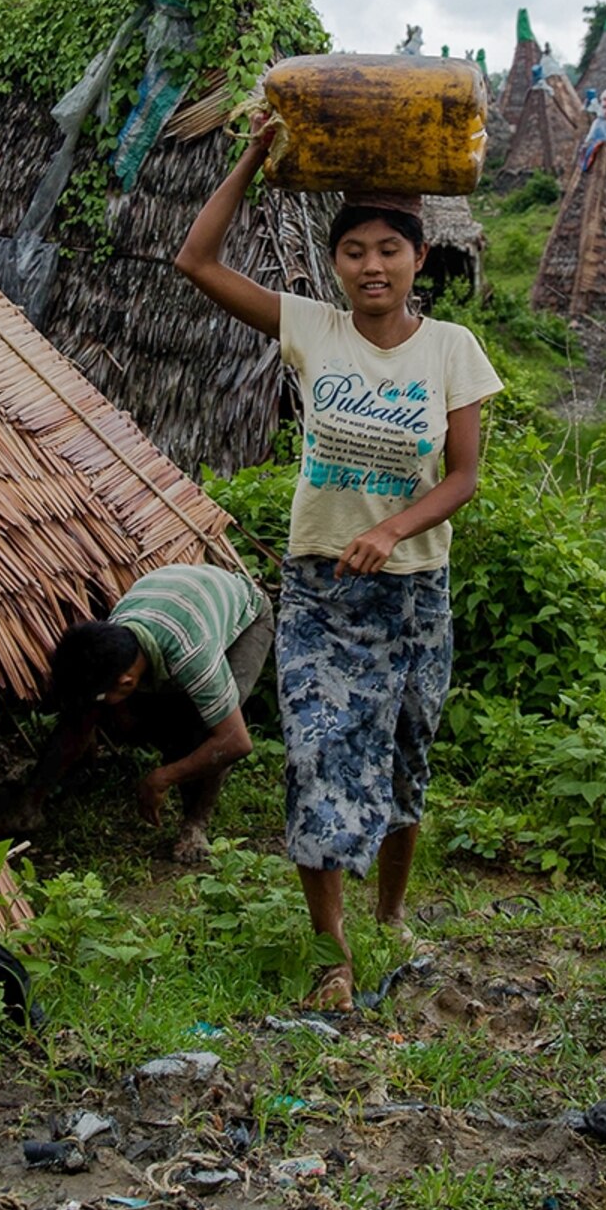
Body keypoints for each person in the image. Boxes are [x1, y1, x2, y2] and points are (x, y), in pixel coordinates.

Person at [173, 131, 501, 1010]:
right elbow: (197, 258)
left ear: (419, 256)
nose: (371, 266)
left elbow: (465, 475)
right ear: (335, 263)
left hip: (413, 592)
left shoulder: (451, 350)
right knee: (318, 757)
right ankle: (334, 953)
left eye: (389, 249)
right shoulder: (311, 328)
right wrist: (251, 159)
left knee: (403, 762)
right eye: (353, 251)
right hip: (322, 589)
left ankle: (391, 913)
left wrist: (394, 528)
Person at [5, 562, 269, 865]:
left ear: (128, 682)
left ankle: (194, 827)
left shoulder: (192, 656)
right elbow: (83, 713)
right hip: (179, 601)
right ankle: (28, 808)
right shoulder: (116, 637)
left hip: (247, 616)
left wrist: (162, 778)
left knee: (203, 728)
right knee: (86, 711)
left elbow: (235, 742)